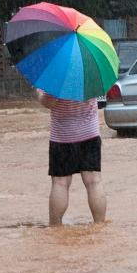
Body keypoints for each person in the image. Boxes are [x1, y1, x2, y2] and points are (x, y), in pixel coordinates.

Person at [38, 89, 106, 227]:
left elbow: (48, 103)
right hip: (89, 133)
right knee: (94, 182)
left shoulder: (53, 73)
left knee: (60, 183)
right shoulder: (89, 71)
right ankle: (100, 226)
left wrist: (43, 95)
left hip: (62, 136)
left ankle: (55, 228)